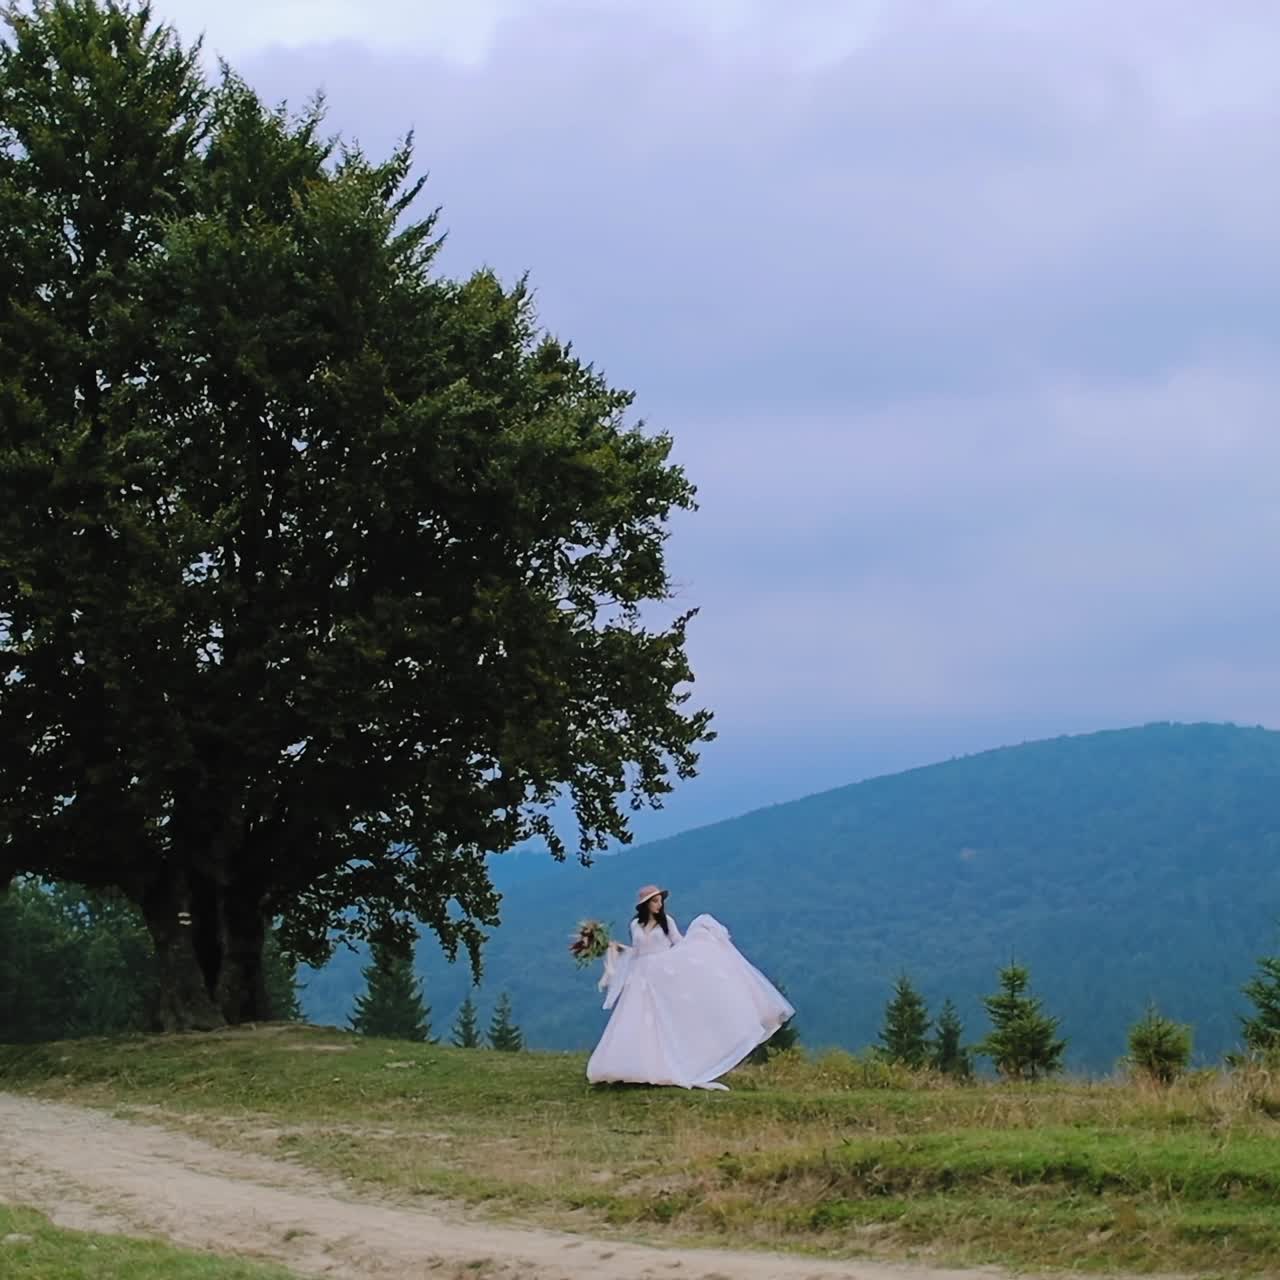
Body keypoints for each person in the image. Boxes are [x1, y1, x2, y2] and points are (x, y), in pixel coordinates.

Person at [585, 885, 795, 1090]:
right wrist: (613, 947)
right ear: (645, 905)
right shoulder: (635, 925)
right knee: (637, 1018)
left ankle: (663, 1065)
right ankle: (630, 1065)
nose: (659, 905)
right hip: (641, 976)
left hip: (663, 973)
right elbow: (638, 951)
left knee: (663, 1019)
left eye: (660, 901)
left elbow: (679, 943)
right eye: (655, 901)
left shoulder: (667, 922)